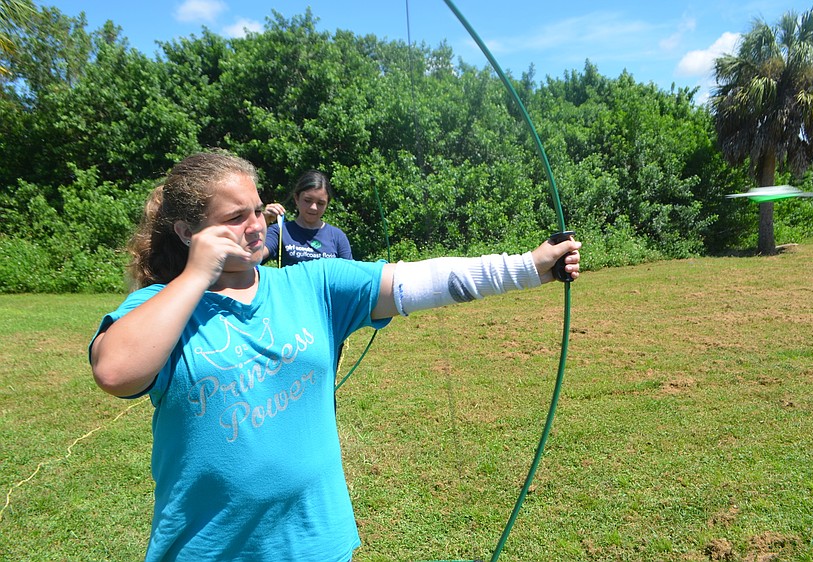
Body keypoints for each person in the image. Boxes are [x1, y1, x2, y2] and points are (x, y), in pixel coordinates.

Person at [88, 150, 581, 562]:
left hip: (314, 541)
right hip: (209, 549)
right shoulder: (161, 307)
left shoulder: (315, 285)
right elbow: (115, 372)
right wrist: (196, 276)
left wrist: (529, 267)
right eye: (234, 218)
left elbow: (419, 281)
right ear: (185, 232)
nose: (256, 227)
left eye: (257, 211)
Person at [262, 169, 352, 266]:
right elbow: (252, 258)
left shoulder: (337, 236)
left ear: (327, 204)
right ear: (297, 198)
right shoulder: (280, 231)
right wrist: (262, 222)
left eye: (320, 203)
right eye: (307, 200)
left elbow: (350, 274)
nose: (313, 207)